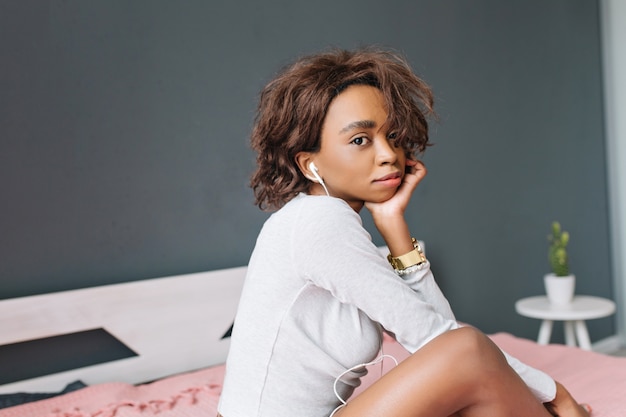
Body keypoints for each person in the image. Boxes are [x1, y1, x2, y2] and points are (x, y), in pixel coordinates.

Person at [217, 47, 590, 417]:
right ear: (310, 163)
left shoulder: (324, 219)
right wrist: (553, 391)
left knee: (467, 355)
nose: (388, 154)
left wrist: (394, 225)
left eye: (392, 135)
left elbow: (440, 335)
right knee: (469, 349)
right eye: (360, 140)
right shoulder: (318, 222)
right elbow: (441, 340)